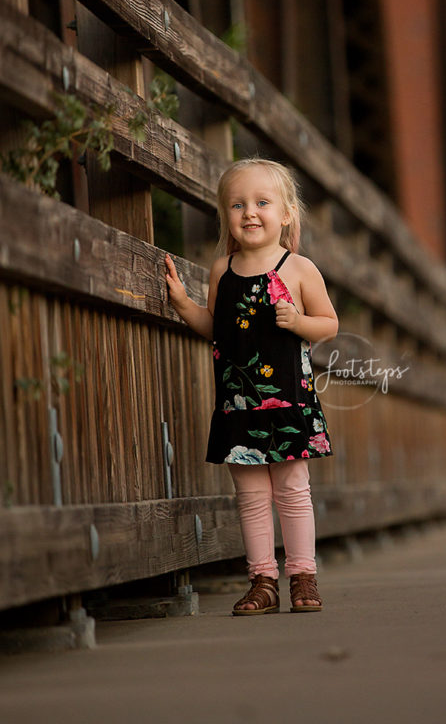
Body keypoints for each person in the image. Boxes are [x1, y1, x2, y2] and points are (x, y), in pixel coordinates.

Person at [164, 157, 338, 615]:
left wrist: (299, 321)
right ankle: (262, 579)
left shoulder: (298, 268)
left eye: (262, 202)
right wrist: (183, 304)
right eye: (237, 205)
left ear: (286, 214)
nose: (250, 213)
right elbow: (217, 328)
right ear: (226, 217)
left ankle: (303, 575)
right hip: (238, 404)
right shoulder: (222, 270)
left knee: (293, 489)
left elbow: (330, 325)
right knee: (252, 497)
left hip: (288, 400)